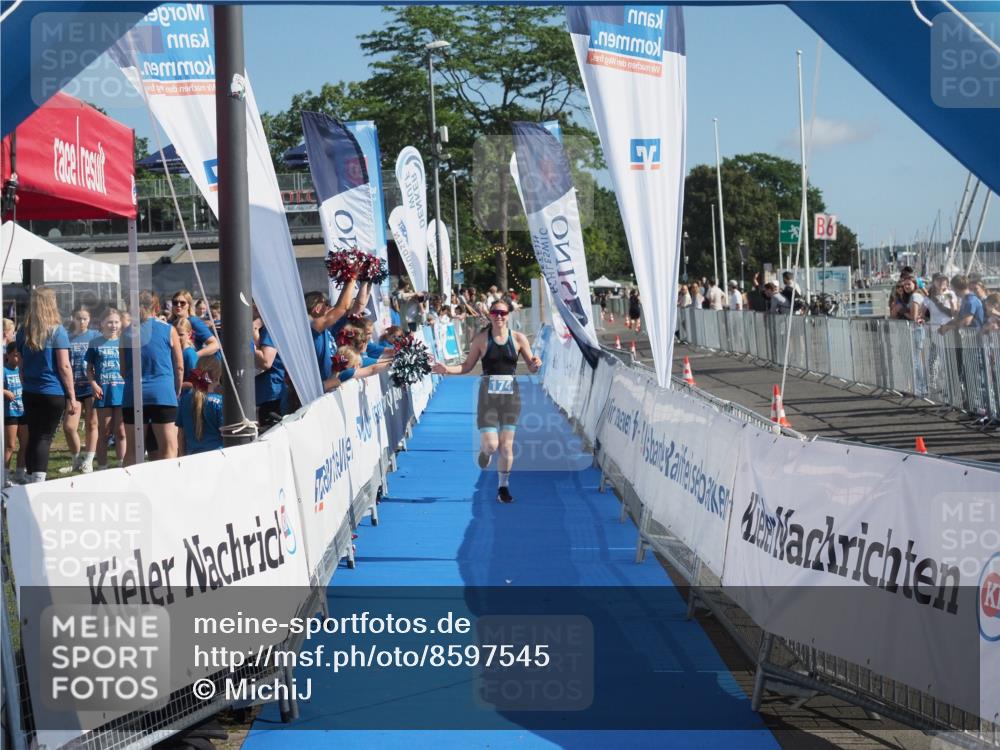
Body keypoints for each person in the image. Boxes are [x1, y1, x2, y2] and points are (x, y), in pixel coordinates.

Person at [431, 299, 541, 504]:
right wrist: (447, 369)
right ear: (490, 315)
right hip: (487, 398)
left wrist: (536, 363)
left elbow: (532, 366)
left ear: (508, 315)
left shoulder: (518, 338)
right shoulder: (481, 339)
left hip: (511, 397)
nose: (499, 316)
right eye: (495, 312)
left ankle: (503, 487)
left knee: (506, 446)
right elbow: (466, 366)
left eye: (502, 313)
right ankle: (485, 452)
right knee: (491, 445)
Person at [16, 287, 78, 483]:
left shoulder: (23, 331)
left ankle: (30, 475)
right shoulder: (57, 331)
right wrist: (72, 395)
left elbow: (21, 365)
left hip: (30, 390)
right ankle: (38, 479)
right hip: (52, 390)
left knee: (33, 435)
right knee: (44, 437)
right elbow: (64, 366)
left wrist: (26, 382)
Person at [122, 291, 184, 465]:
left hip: (133, 393)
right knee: (169, 448)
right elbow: (179, 366)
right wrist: (177, 389)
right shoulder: (168, 329)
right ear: (156, 307)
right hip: (162, 393)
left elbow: (123, 369)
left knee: (132, 451)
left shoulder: (126, 333)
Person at [86, 308, 127, 470]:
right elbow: (89, 369)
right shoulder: (95, 343)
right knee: (104, 432)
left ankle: (122, 466)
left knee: (121, 431)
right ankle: (102, 467)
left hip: (122, 392)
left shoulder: (124, 342)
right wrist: (94, 384)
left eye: (116, 322)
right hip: (104, 392)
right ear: (102, 323)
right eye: (110, 322)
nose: (113, 325)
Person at [62, 306, 100, 473]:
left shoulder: (95, 336)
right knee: (69, 427)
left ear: (89, 319)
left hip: (91, 386)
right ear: (73, 318)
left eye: (85, 318)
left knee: (92, 423)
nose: (82, 321)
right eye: (79, 318)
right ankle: (76, 459)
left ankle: (89, 460)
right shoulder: (67, 337)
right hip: (74, 388)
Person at [176, 355, 224, 455]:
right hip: (218, 457)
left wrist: (182, 457)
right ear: (217, 377)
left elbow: (180, 436)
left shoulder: (184, 400)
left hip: (192, 458)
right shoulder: (219, 402)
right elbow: (227, 434)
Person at [252, 307, 286, 431]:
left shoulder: (270, 328)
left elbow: (266, 361)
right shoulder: (262, 328)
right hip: (261, 394)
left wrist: (248, 344)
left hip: (271, 394)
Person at [169, 290, 219, 359]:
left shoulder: (194, 322)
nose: (178, 305)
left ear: (189, 305)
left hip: (190, 363)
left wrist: (193, 355)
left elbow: (215, 345)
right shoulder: (169, 322)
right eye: (175, 302)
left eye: (182, 303)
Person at [3, 344, 26, 486]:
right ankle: (4, 476)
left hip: (24, 411)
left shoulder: (23, 369)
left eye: (19, 355)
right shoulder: (3, 370)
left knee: (25, 444)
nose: (18, 358)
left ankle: (20, 474)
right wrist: (5, 391)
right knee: (10, 445)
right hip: (10, 412)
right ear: (8, 355)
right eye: (15, 355)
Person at [323, 346, 390, 391]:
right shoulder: (347, 372)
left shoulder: (339, 374)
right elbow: (372, 369)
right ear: (353, 366)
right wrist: (392, 364)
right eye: (359, 365)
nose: (360, 368)